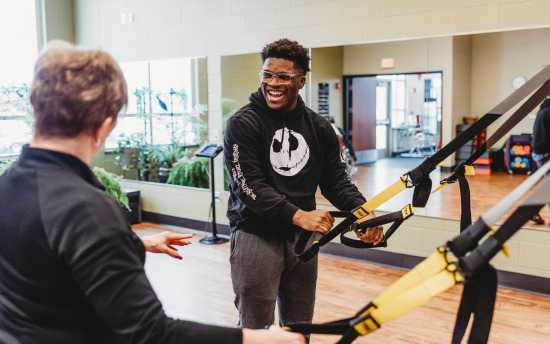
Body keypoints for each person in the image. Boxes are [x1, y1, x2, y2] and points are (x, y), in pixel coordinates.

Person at [0, 41, 304, 344]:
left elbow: (44, 247)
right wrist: (256, 340)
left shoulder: (10, 184)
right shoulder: (85, 208)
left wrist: (133, 243)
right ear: (105, 124)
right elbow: (151, 333)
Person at [223, 38, 384, 334]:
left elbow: (336, 181)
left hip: (303, 240)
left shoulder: (319, 127)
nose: (273, 82)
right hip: (257, 236)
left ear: (301, 81)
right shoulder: (243, 124)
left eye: (283, 77)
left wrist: (363, 211)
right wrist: (300, 215)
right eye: (267, 74)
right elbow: (250, 187)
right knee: (255, 330)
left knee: (299, 328)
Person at [531, 97, 550, 224]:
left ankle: (532, 210)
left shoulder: (544, 109)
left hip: (539, 151)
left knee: (547, 182)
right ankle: (531, 209)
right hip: (545, 152)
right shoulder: (548, 112)